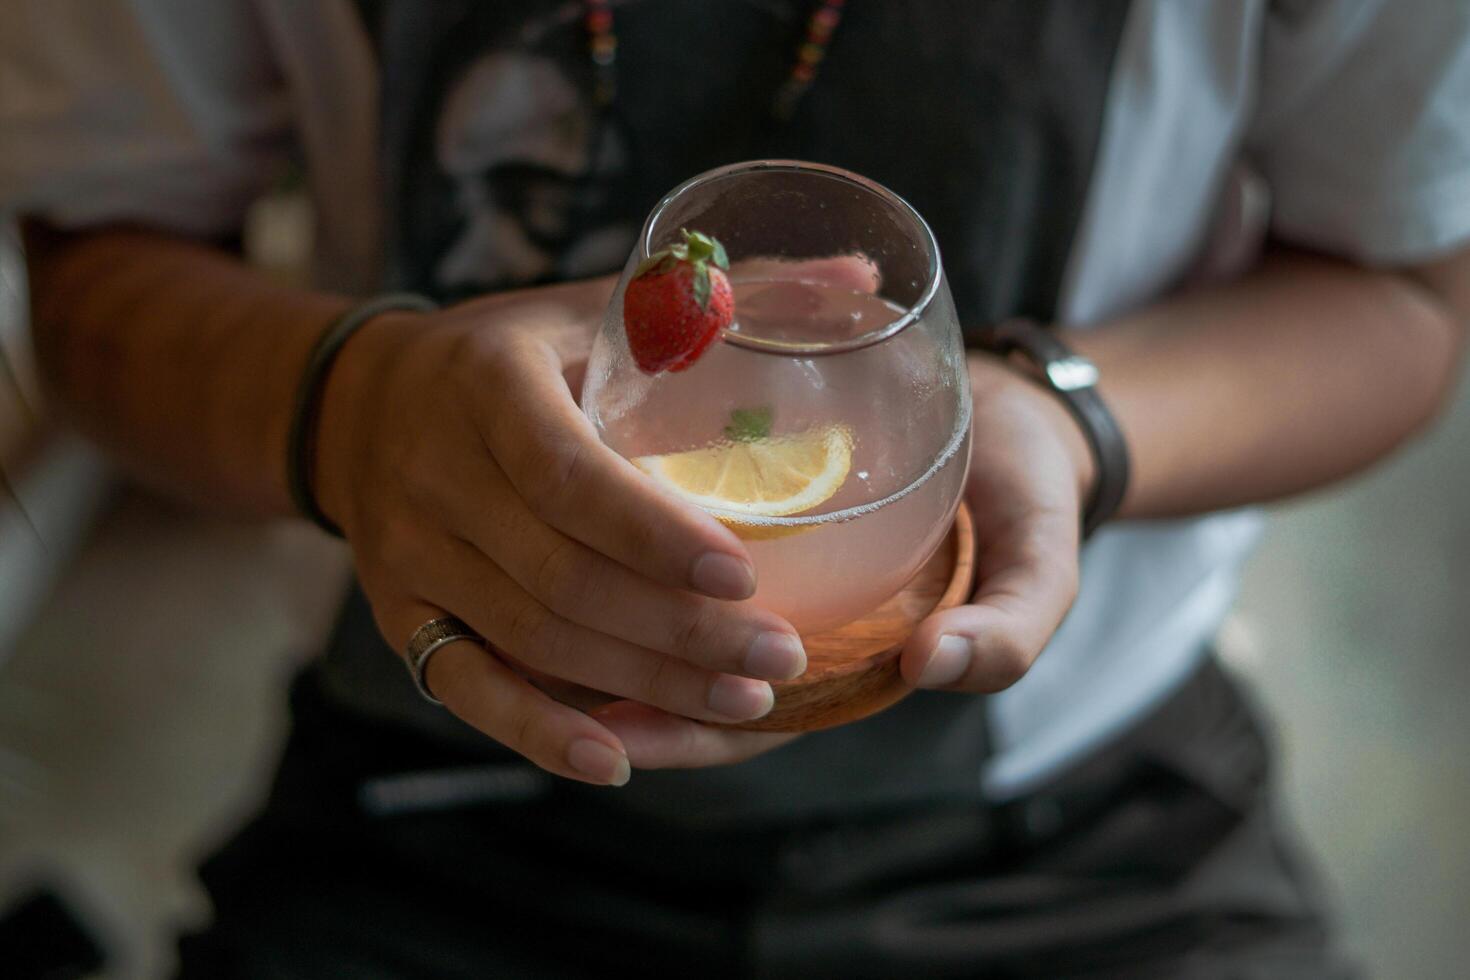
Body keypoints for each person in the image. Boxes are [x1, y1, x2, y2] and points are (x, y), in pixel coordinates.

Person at [4, 1, 1468, 976]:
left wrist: (1066, 420)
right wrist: (350, 408)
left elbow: (1404, 289)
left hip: (1079, 829)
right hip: (437, 810)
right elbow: (94, 270)